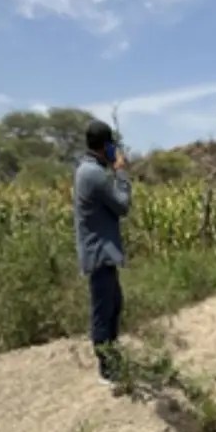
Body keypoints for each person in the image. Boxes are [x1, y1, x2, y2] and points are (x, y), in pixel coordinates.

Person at [73, 119, 132, 384]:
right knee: (103, 312)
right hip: (99, 253)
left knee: (113, 306)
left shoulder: (88, 170)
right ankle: (107, 370)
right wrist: (120, 172)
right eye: (112, 147)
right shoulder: (94, 174)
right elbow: (122, 205)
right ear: (106, 146)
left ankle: (112, 358)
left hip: (100, 252)